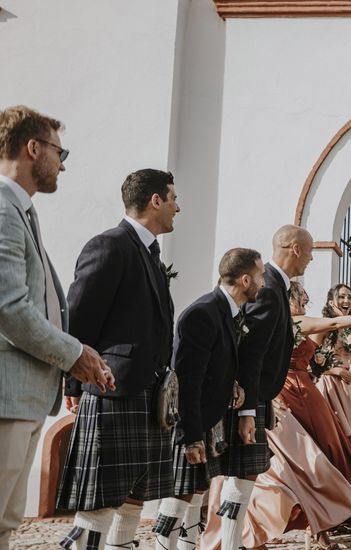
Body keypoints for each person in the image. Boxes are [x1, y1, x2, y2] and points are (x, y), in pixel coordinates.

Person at [0, 105, 113, 550]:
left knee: (7, 521)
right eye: (59, 152)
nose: (62, 164)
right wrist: (74, 353)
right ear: (33, 149)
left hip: (24, 393)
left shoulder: (21, 211)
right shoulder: (5, 210)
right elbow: (10, 308)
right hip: (7, 393)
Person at [57, 169, 180, 550]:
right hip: (113, 388)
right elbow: (78, 319)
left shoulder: (150, 254)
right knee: (100, 500)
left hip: (149, 394)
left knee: (133, 496)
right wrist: (74, 384)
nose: (179, 206)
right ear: (155, 200)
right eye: (173, 197)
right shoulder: (110, 245)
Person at [235, 282, 351, 550]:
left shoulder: (301, 322)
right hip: (281, 394)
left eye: (305, 300)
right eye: (299, 300)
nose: (303, 304)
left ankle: (319, 528)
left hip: (306, 394)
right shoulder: (280, 323)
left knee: (327, 455)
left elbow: (331, 330)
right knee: (289, 463)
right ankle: (265, 524)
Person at [151, 248, 264, 550]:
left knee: (196, 492)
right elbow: (187, 380)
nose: (262, 283)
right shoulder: (203, 313)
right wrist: (190, 437)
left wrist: (232, 384)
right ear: (244, 280)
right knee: (180, 495)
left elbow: (214, 366)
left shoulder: (225, 312)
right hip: (192, 420)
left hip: (205, 417)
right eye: (260, 277)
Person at [213, 225, 314, 550]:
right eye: (310, 251)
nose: (311, 259)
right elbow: (251, 351)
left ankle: (232, 542)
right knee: (243, 473)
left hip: (256, 397)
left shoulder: (273, 286)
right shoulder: (269, 287)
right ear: (295, 249)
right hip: (247, 399)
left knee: (246, 474)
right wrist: (246, 409)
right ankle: (229, 545)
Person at [313, 284, 351, 438]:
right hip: (329, 385)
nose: (346, 300)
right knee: (334, 432)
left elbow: (348, 357)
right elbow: (308, 362)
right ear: (330, 302)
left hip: (347, 386)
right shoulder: (323, 327)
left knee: (350, 433)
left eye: (349, 296)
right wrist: (337, 371)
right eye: (341, 296)